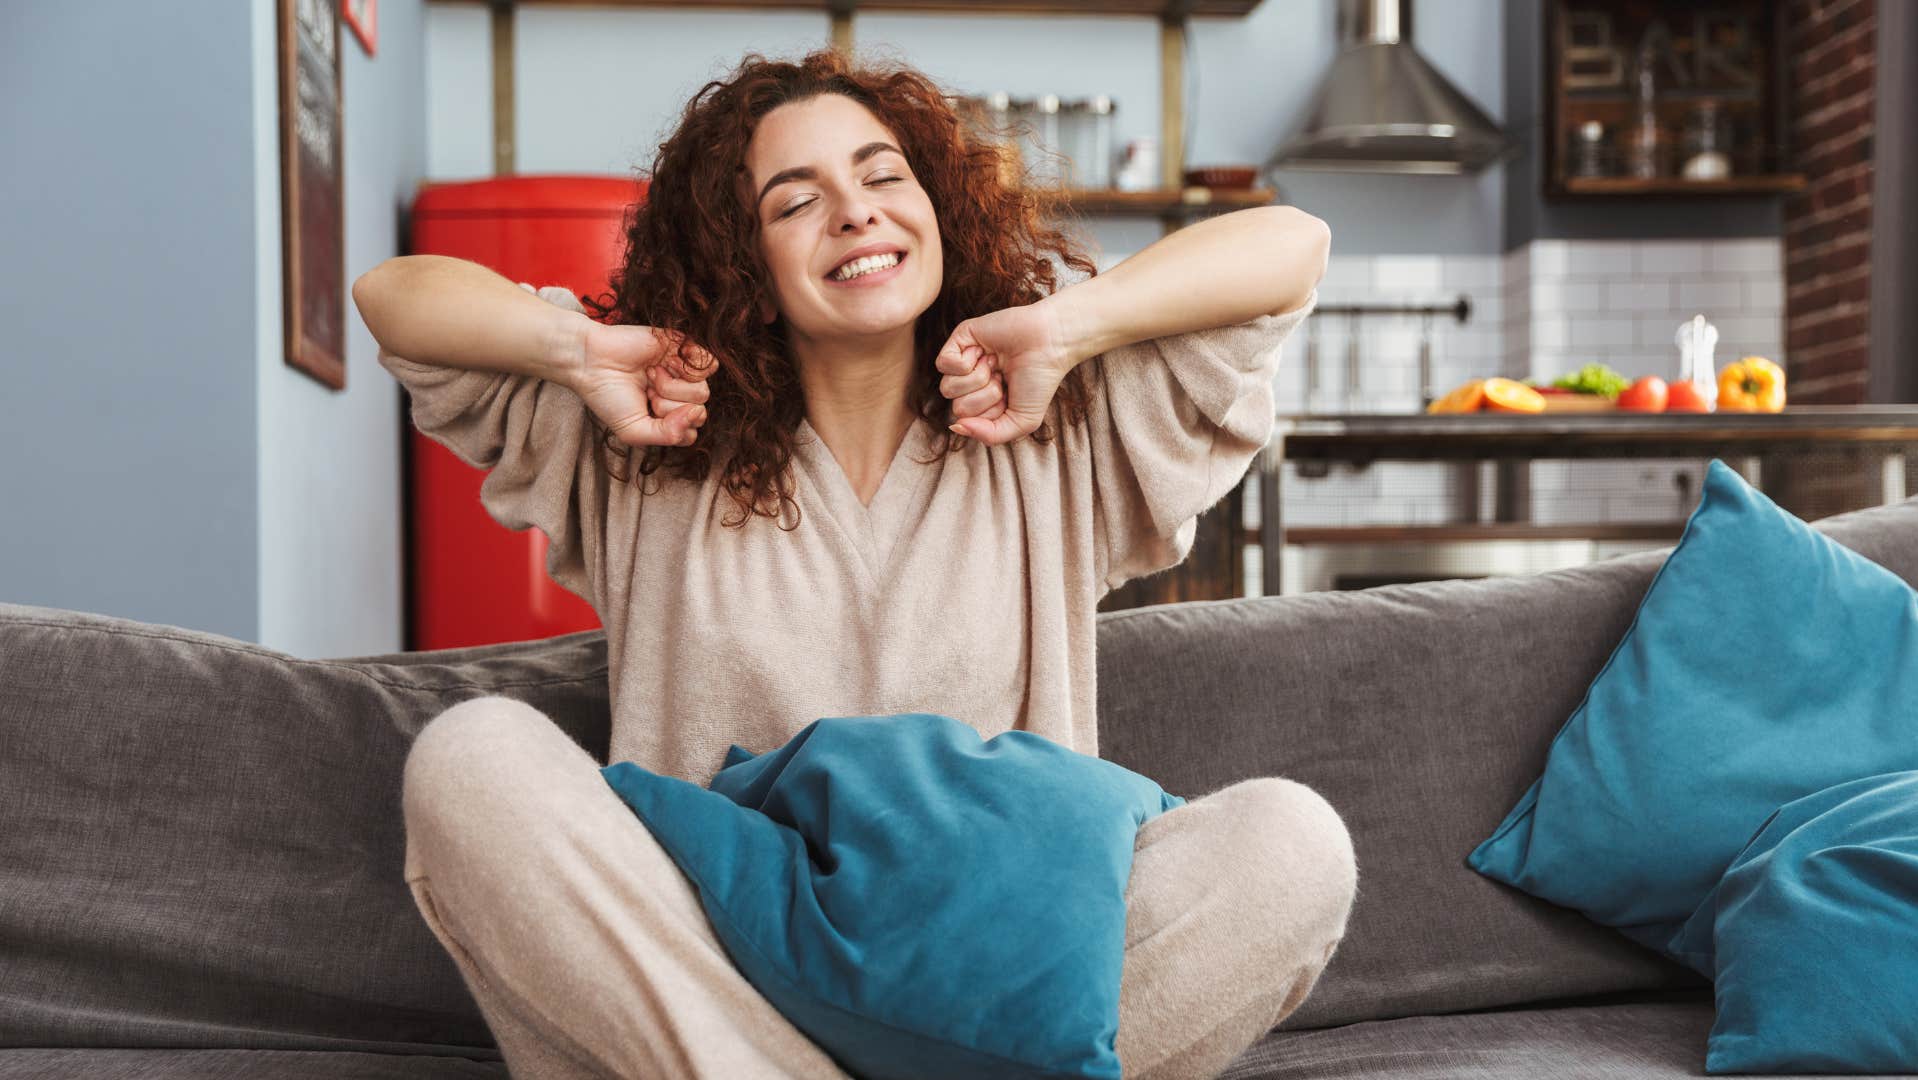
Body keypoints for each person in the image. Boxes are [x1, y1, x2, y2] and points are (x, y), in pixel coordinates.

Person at [355, 45, 1353, 1080]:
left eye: (884, 177)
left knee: (1294, 845)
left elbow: (1293, 247)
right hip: (708, 963)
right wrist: (574, 352)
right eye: (795, 202)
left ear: (935, 206)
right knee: (471, 758)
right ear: (740, 256)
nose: (856, 212)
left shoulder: (1059, 428)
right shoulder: (644, 438)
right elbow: (395, 298)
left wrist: (1067, 325)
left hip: (999, 969)